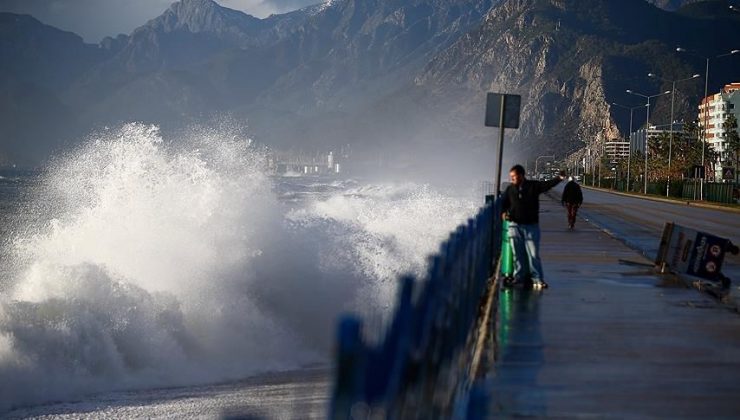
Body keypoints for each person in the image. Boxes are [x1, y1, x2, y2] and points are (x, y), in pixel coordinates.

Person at [501, 165, 563, 289]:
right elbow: (504, 204)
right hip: (514, 226)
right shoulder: (510, 189)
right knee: (517, 255)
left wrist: (559, 178)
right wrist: (504, 214)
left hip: (531, 226)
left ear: (521, 175)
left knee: (533, 254)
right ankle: (519, 278)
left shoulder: (532, 186)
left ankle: (537, 279)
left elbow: (547, 185)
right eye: (511, 177)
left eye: (514, 176)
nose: (512, 179)